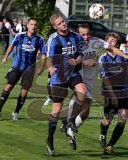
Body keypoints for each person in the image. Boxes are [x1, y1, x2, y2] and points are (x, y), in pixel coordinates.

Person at [60, 24, 128, 140]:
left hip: (91, 78)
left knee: (86, 111)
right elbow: (69, 62)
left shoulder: (96, 41)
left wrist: (124, 55)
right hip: (78, 76)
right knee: (80, 97)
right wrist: (84, 63)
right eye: (83, 34)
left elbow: (112, 48)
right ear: (79, 33)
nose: (86, 37)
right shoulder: (75, 43)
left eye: (88, 34)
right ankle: (69, 124)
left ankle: (68, 126)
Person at [46, 13, 87, 156]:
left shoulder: (76, 36)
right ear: (55, 26)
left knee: (82, 91)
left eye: (63, 21)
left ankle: (69, 122)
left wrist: (77, 61)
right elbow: (49, 57)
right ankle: (50, 140)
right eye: (59, 23)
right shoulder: (54, 39)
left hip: (73, 73)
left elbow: (81, 54)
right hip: (58, 76)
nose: (63, 24)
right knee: (56, 109)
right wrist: (51, 68)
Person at [98, 32, 128, 155]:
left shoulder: (124, 56)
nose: (110, 43)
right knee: (107, 120)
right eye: (108, 41)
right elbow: (105, 79)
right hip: (110, 94)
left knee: (122, 119)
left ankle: (110, 145)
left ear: (117, 43)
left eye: (112, 41)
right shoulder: (103, 58)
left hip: (125, 93)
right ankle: (103, 134)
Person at [0, 18, 47, 120]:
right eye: (31, 24)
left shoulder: (40, 39)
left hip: (30, 69)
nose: (33, 26)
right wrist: (5, 56)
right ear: (28, 25)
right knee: (8, 87)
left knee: (24, 92)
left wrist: (41, 68)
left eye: (35, 25)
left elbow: (44, 55)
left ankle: (16, 112)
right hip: (17, 66)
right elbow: (11, 46)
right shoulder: (20, 36)